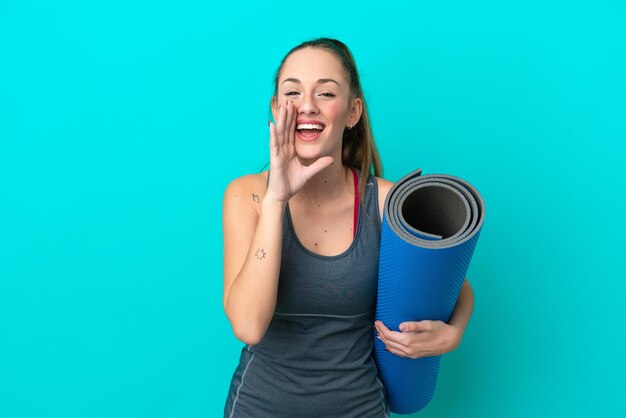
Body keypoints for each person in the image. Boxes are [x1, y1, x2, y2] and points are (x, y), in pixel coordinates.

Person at [222, 37, 475, 418]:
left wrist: (454, 334)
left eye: (325, 93)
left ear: (353, 112)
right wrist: (277, 199)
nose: (307, 105)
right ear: (277, 109)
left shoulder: (387, 203)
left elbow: (455, 284)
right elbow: (248, 325)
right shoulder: (248, 196)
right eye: (293, 92)